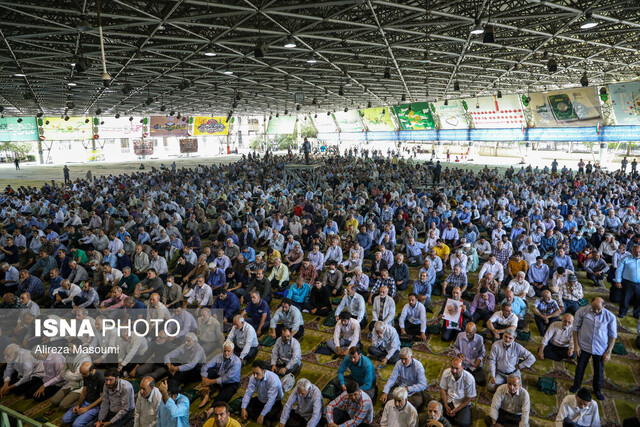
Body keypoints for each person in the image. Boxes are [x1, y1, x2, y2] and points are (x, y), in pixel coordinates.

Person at [571, 297, 617, 401]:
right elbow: (575, 329)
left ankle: (597, 390)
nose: (595, 311)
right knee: (580, 368)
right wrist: (576, 345)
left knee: (598, 371)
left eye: (598, 309)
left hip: (600, 348)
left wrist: (608, 352)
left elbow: (613, 336)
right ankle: (576, 386)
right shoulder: (582, 311)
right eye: (593, 308)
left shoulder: (610, 317)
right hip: (584, 345)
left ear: (604, 306)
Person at [487, 329, 535, 393]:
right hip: (500, 373)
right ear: (503, 335)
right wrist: (493, 375)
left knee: (517, 391)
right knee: (490, 387)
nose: (507, 339)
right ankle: (505, 385)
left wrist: (520, 366)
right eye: (506, 336)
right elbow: (492, 361)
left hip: (513, 373)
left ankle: (506, 385)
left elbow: (532, 358)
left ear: (514, 339)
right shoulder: (496, 345)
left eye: (510, 338)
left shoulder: (518, 347)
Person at [200, 341, 241, 409]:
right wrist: (204, 379)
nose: (226, 353)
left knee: (225, 395)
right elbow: (205, 366)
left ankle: (211, 409)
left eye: (228, 351)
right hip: (219, 378)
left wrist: (209, 381)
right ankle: (206, 393)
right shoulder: (219, 356)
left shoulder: (236, 362)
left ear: (232, 351)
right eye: (224, 351)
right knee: (208, 371)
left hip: (230, 383)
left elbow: (226, 378)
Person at [240, 360, 284, 425]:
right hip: (260, 399)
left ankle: (263, 417)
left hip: (275, 402)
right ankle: (264, 419)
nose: (255, 376)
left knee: (269, 415)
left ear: (264, 371)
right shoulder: (254, 377)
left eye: (257, 373)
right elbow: (248, 392)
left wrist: (262, 415)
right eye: (253, 373)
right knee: (242, 406)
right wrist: (243, 408)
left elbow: (271, 400)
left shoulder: (273, 380)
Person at [61, 362, 104, 427]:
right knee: (65, 419)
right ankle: (82, 416)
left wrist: (87, 408)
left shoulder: (101, 378)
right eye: (81, 374)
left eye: (84, 374)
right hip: (85, 402)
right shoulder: (86, 375)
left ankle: (93, 418)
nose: (82, 376)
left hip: (95, 406)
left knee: (76, 425)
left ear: (92, 371)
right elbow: (84, 392)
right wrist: (78, 405)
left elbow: (102, 398)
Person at [439, 358, 476, 427]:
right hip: (448, 400)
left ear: (463, 368)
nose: (454, 371)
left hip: (462, 403)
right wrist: (446, 406)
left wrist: (457, 409)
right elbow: (443, 389)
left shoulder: (470, 379)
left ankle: (451, 417)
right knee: (436, 413)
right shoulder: (446, 373)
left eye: (457, 368)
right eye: (452, 367)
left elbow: (469, 398)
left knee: (464, 423)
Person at [615, 245, 640, 318]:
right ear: (632, 251)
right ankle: (622, 312)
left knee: (639, 299)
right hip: (628, 282)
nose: (638, 254)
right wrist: (618, 281)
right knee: (625, 298)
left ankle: (637, 313)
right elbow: (619, 271)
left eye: (639, 252)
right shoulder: (625, 259)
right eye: (635, 252)